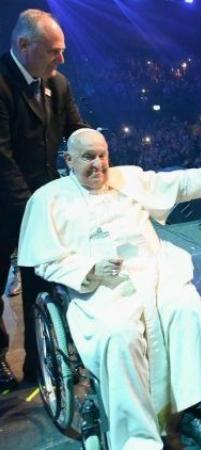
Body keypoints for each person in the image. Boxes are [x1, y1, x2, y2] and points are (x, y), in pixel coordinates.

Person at [17, 129, 201, 450]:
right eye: (88, 157)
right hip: (100, 288)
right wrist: (89, 270)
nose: (99, 164)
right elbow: (45, 262)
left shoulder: (127, 178)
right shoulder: (49, 198)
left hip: (156, 272)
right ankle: (138, 439)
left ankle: (191, 415)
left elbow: (176, 183)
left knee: (188, 311)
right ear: (68, 160)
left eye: (103, 155)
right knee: (119, 335)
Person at [0, 9, 89, 389]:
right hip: (8, 201)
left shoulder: (59, 84)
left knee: (43, 282)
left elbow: (77, 131)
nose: (61, 58)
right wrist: (32, 214)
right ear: (23, 45)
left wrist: (95, 154)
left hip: (41, 200)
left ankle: (41, 365)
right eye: (54, 50)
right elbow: (1, 159)